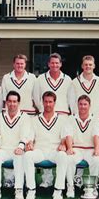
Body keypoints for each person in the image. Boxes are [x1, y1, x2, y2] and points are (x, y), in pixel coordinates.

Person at [33, 52, 72, 188]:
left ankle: (68, 180)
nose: (55, 65)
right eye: (52, 63)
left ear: (61, 64)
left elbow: (71, 99)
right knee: (45, 145)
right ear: (48, 64)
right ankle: (47, 179)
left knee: (62, 148)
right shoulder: (40, 79)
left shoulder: (67, 79)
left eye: (57, 63)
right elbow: (37, 97)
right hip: (46, 116)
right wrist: (45, 111)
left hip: (63, 117)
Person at [23, 91, 69, 199]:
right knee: (28, 155)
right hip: (40, 150)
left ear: (54, 103)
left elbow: (64, 138)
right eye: (46, 102)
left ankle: (58, 190)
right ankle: (31, 190)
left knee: (63, 156)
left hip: (54, 150)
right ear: (42, 103)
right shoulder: (34, 119)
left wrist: (63, 145)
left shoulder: (62, 119)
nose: (48, 104)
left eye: (50, 102)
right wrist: (30, 144)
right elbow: (30, 137)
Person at [1, 54, 37, 188]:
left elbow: (37, 97)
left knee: (28, 148)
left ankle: (28, 178)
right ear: (13, 64)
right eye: (17, 63)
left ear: (25, 64)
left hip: (29, 116)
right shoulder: (6, 78)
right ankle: (9, 178)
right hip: (11, 116)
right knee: (9, 145)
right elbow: (4, 98)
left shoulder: (32, 77)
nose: (19, 66)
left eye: (22, 64)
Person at [0, 91, 31, 199]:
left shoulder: (24, 117)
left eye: (14, 101)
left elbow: (25, 134)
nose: (12, 104)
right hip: (3, 149)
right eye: (10, 101)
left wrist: (21, 147)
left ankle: (19, 189)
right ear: (6, 102)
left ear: (18, 103)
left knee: (19, 157)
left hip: (17, 149)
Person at [64, 95, 99, 198]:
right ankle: (70, 186)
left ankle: (92, 187)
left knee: (96, 160)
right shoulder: (71, 118)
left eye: (85, 104)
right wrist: (70, 148)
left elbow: (96, 135)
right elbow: (69, 135)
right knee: (69, 159)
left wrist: (97, 149)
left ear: (89, 105)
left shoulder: (95, 119)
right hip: (76, 149)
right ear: (77, 105)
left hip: (90, 149)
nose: (83, 106)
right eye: (80, 104)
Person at [68, 55, 99, 119]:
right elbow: (71, 100)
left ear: (94, 66)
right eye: (86, 64)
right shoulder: (75, 82)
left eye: (90, 64)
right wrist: (73, 113)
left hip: (96, 116)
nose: (88, 66)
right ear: (82, 66)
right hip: (79, 117)